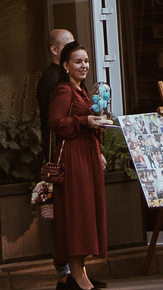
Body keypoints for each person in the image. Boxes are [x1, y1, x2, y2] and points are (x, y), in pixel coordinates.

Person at [47, 45, 111, 290]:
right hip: (73, 158)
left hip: (86, 154)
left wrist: (95, 128)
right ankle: (75, 275)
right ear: (65, 66)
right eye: (77, 62)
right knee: (77, 213)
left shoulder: (83, 90)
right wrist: (85, 121)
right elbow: (55, 122)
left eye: (86, 61)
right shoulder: (64, 90)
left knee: (87, 213)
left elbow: (83, 121)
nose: (84, 66)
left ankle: (77, 274)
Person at [36, 25, 75, 118]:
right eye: (68, 46)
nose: (73, 50)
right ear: (54, 50)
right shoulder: (51, 80)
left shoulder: (68, 74)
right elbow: (53, 118)